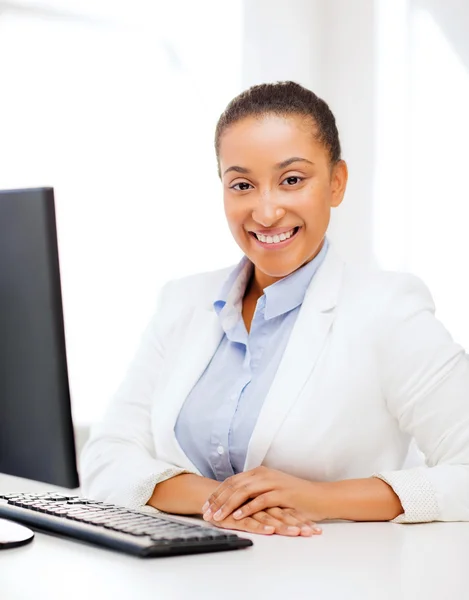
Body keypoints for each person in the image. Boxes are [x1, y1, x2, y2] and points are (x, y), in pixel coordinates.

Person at [81, 81, 469, 537]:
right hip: (187, 575)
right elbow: (106, 454)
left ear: (337, 182)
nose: (265, 212)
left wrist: (317, 499)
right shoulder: (182, 302)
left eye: (292, 180)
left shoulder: (388, 310)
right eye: (242, 184)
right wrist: (220, 500)